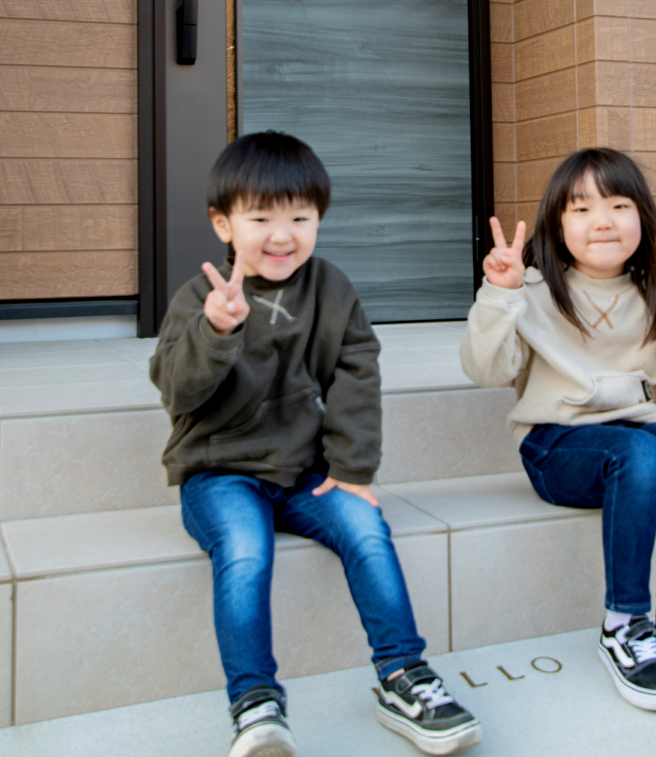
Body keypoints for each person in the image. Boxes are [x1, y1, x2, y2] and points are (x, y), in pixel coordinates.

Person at [150, 131, 481, 757]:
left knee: (365, 526)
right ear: (223, 224)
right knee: (245, 550)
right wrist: (215, 332)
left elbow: (357, 373)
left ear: (319, 219)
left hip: (306, 474)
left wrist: (353, 469)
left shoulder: (331, 289)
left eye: (300, 218)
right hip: (219, 473)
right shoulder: (200, 298)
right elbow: (177, 391)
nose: (282, 236)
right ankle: (255, 703)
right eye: (261, 219)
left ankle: (403, 675)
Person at [460, 147, 656, 712]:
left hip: (637, 438)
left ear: (642, 216)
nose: (603, 221)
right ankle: (625, 624)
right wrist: (500, 295)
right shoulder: (535, 292)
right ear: (557, 223)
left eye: (619, 205)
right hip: (556, 445)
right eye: (582, 207)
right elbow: (484, 370)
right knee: (639, 454)